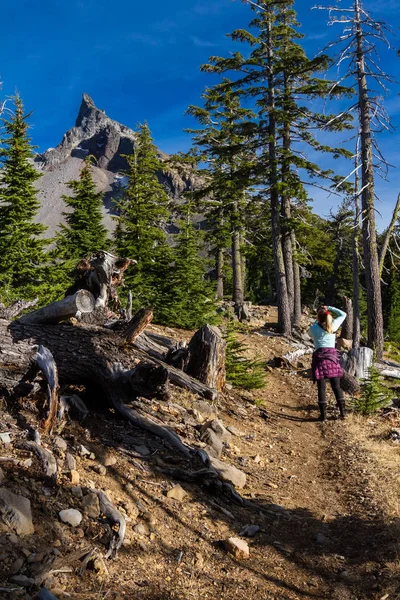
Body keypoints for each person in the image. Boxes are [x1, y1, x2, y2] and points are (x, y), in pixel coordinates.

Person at [308, 304, 347, 421]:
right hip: (332, 358)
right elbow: (343, 314)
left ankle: (323, 416)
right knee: (336, 387)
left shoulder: (313, 328)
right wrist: (329, 308)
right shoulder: (333, 326)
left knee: (321, 388)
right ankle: (343, 413)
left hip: (319, 359)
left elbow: (310, 333)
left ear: (318, 318)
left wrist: (317, 319)